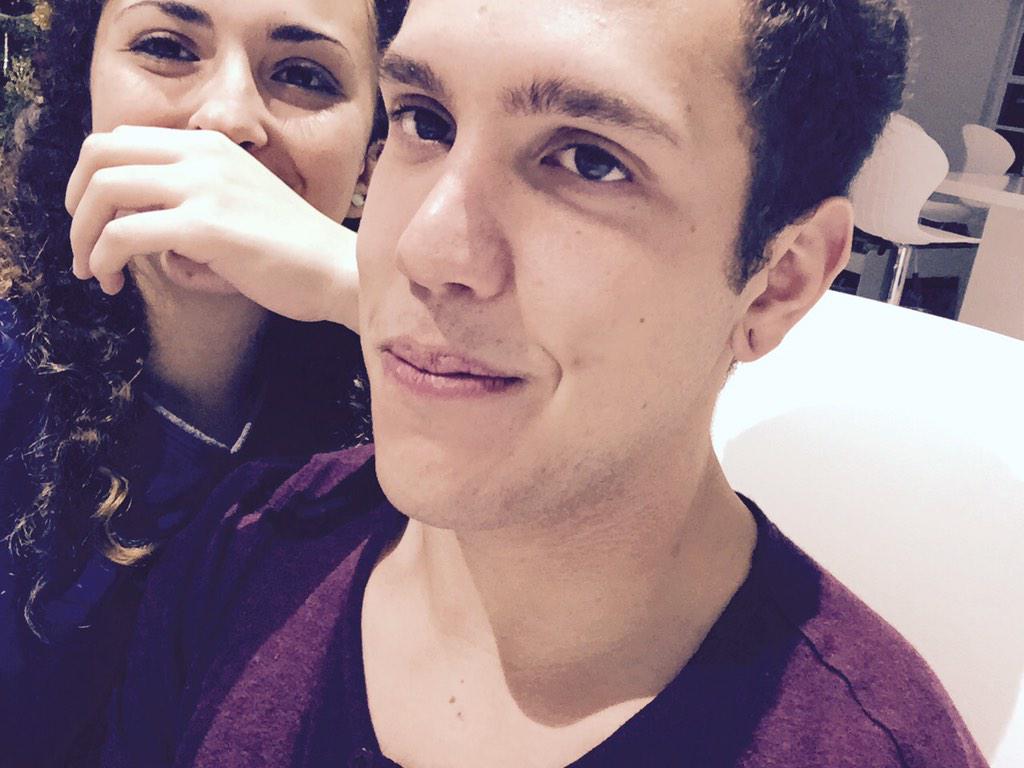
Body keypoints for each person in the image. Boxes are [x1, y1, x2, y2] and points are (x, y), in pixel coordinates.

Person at [104, 0, 989, 766]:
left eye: (589, 161)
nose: (425, 249)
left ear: (779, 282)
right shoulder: (247, 552)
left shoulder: (864, 747)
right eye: (424, 120)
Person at [0, 0, 406, 764]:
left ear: (370, 163)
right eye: (166, 46)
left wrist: (362, 289)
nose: (225, 119)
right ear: (85, 92)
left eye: (304, 75)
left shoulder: (413, 453)